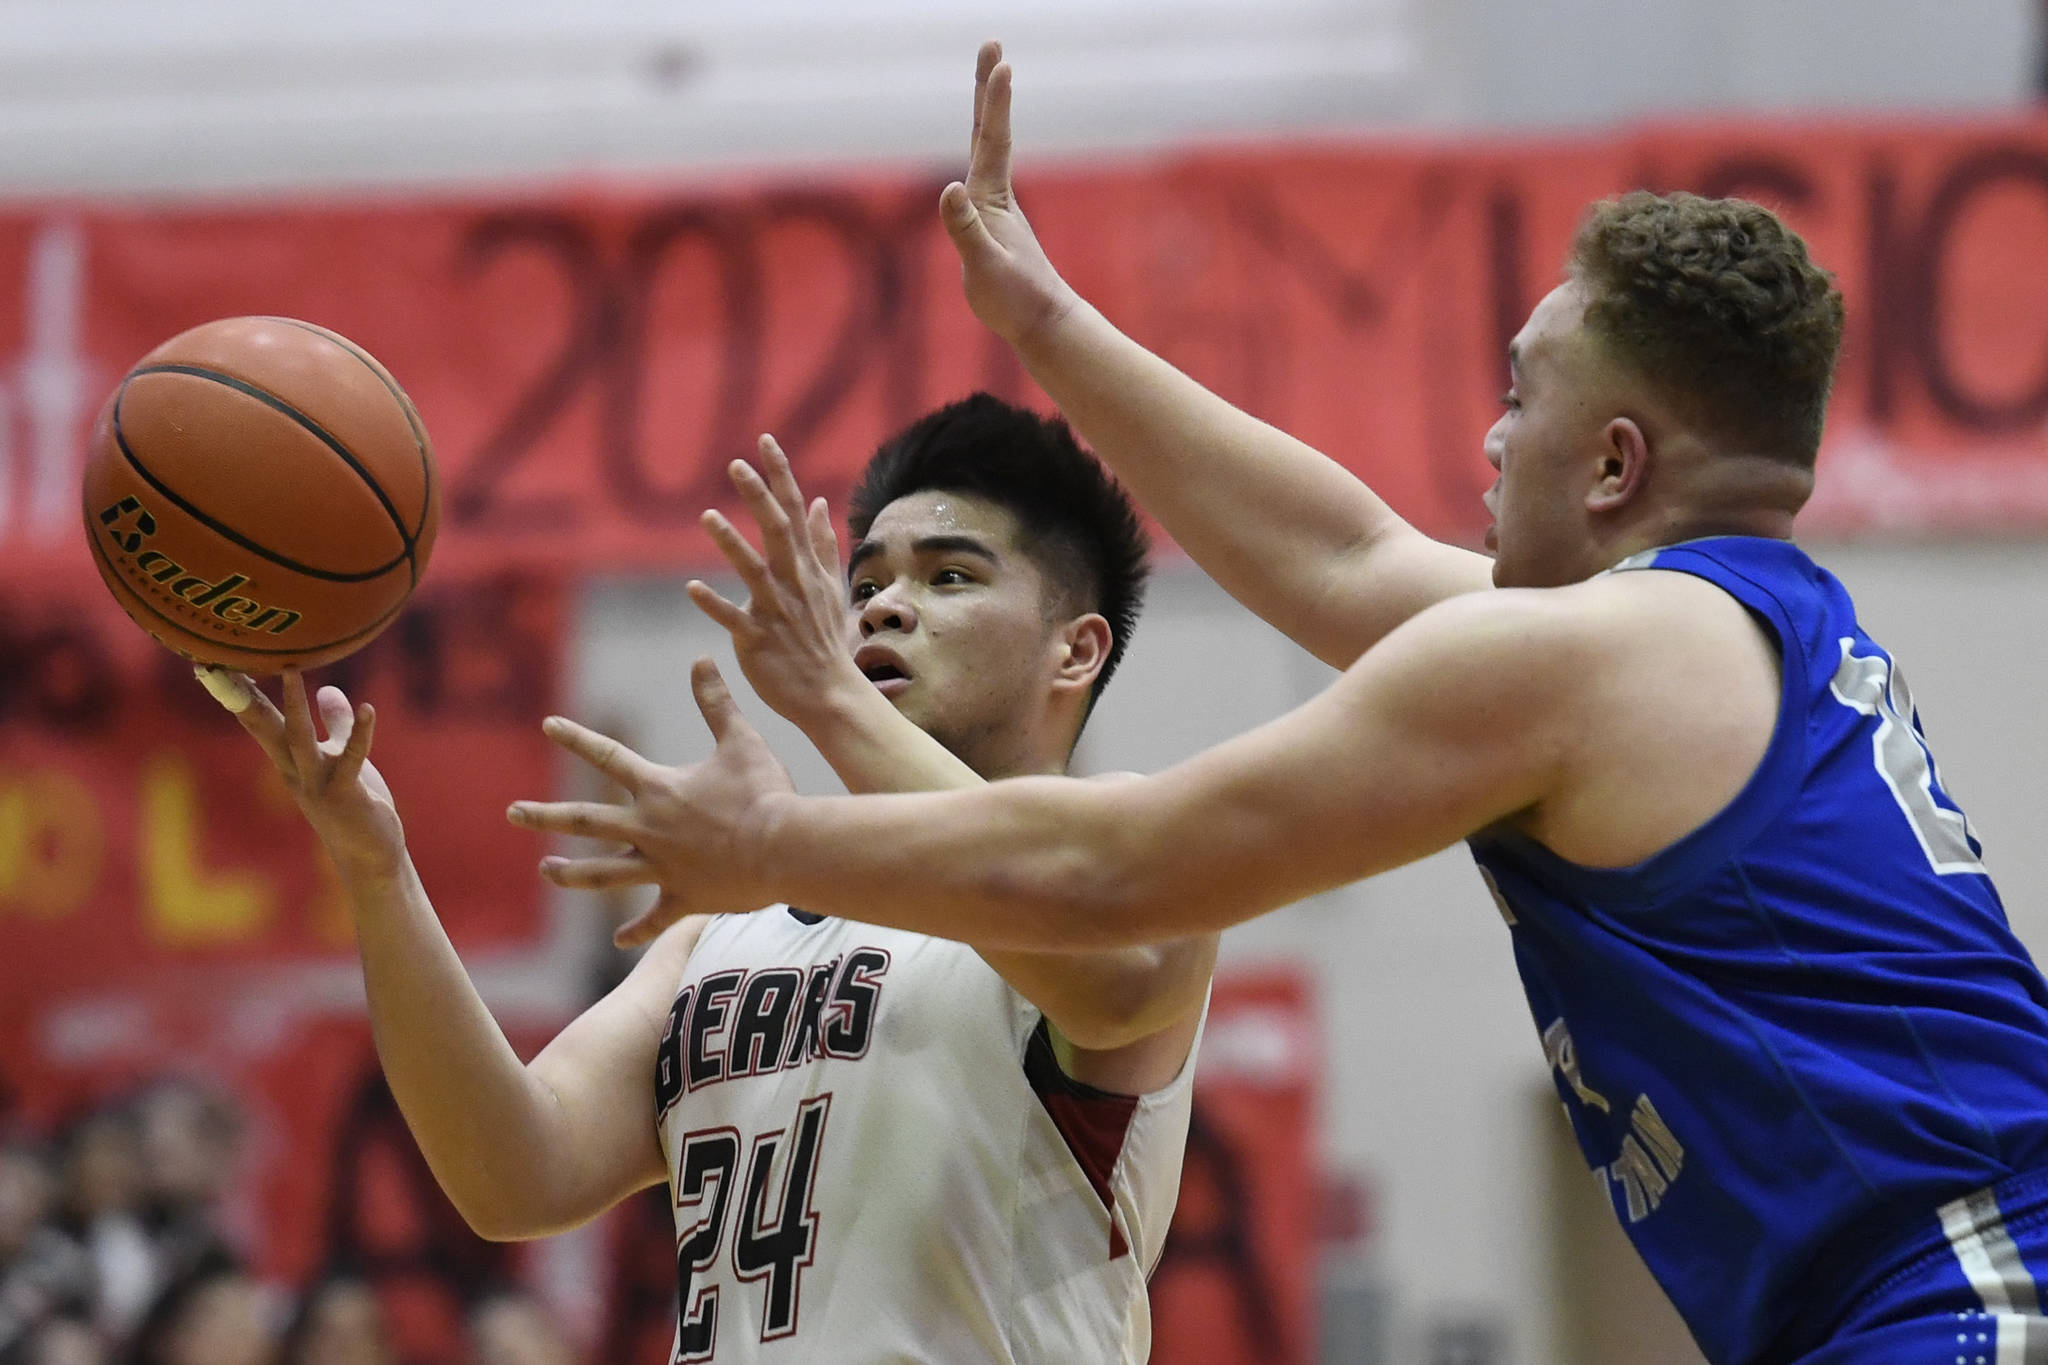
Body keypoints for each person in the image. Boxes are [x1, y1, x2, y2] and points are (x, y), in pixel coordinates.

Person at [505, 42, 2048, 1365]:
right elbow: (1344, 550)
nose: (1490, 442)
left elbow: (1121, 875)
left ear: (1617, 465)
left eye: (1521, 394)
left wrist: (779, 840)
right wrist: (1045, 321)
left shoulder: (1572, 660)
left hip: (1958, 1290)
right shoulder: (1701, 636)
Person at [199, 396, 1214, 1363]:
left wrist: (822, 713)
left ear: (1072, 651)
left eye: (948, 578)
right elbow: (514, 1172)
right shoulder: (723, 934)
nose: (885, 609)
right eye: (863, 587)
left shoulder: (1137, 861)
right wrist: (378, 871)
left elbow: (1105, 968)